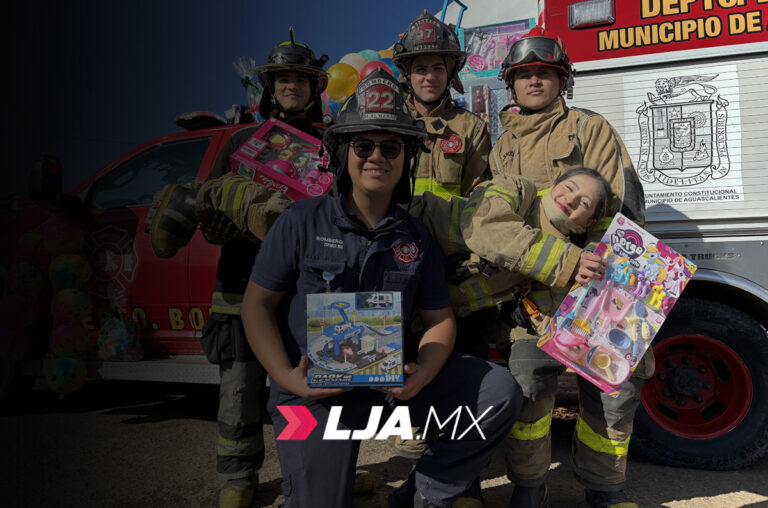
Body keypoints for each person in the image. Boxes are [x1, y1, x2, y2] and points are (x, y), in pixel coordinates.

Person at [240, 70, 522, 508]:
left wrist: (421, 377)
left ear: (406, 157)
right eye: (363, 145)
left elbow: (439, 319)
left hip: (390, 392)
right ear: (342, 152)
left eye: (391, 147)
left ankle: (423, 493)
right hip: (309, 398)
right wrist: (286, 376)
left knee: (498, 392)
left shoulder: (417, 237)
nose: (377, 157)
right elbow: (256, 306)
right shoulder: (300, 222)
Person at [149, 29, 330, 508]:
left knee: (307, 389)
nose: (292, 87)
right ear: (270, 86)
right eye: (283, 79)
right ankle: (239, 476)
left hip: (303, 291)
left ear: (316, 88)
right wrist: (250, 217)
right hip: (240, 285)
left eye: (301, 80)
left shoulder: (331, 147)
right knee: (239, 390)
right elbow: (209, 217)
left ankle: (319, 473)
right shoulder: (244, 143)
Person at [488, 26, 650, 508]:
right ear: (511, 83)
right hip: (530, 297)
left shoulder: (590, 128)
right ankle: (529, 487)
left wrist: (593, 273)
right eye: (524, 75)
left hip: (598, 291)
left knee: (612, 397)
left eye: (545, 73)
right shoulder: (502, 149)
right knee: (528, 395)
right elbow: (498, 224)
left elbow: (623, 208)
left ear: (563, 81)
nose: (534, 81)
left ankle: (605, 490)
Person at [392, 10, 491, 199]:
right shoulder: (392, 123)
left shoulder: (472, 129)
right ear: (408, 75)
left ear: (451, 74)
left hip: (451, 229)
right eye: (421, 69)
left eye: (438, 68)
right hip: (399, 229)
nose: (430, 77)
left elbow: (479, 195)